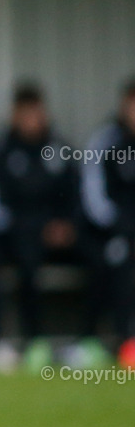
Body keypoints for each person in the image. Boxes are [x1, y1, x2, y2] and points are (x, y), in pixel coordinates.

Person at [0, 84, 81, 367]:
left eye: (37, 113)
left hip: (62, 233)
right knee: (17, 258)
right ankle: (29, 341)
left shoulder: (61, 149)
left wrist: (66, 225)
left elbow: (78, 195)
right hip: (17, 235)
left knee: (108, 254)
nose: (32, 119)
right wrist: (36, 228)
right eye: (26, 114)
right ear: (15, 115)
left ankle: (89, 342)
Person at [80, 78, 135, 358]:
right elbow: (94, 199)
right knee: (117, 261)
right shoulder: (106, 140)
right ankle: (122, 340)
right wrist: (122, 225)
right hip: (113, 230)